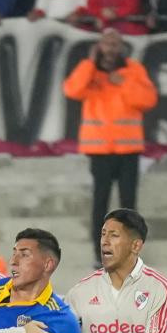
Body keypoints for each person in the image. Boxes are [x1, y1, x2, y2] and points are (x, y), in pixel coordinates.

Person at [63, 28, 158, 263]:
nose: (111, 48)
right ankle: (102, 254)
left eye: (115, 44)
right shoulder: (89, 70)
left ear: (122, 47)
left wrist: (123, 83)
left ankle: (128, 253)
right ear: (99, 46)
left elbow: (148, 100)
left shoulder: (133, 69)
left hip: (128, 149)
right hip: (100, 150)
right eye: (106, 43)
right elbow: (72, 90)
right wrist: (89, 63)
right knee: (101, 204)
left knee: (128, 205)